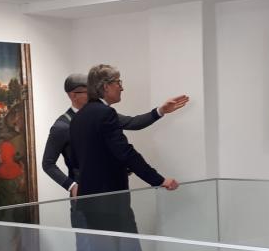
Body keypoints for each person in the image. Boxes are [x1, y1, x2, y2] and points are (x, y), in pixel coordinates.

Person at [69, 64, 179, 251]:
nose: (121, 87)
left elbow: (96, 156)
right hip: (108, 201)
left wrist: (160, 111)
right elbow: (125, 152)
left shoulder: (82, 116)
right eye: (118, 82)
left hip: (97, 200)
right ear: (105, 86)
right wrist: (158, 180)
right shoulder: (103, 114)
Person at [41, 73, 188, 198]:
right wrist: (72, 186)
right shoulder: (61, 127)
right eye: (89, 91)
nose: (94, 95)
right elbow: (48, 163)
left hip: (115, 191)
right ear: (73, 95)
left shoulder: (102, 114)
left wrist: (161, 110)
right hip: (87, 196)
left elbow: (133, 123)